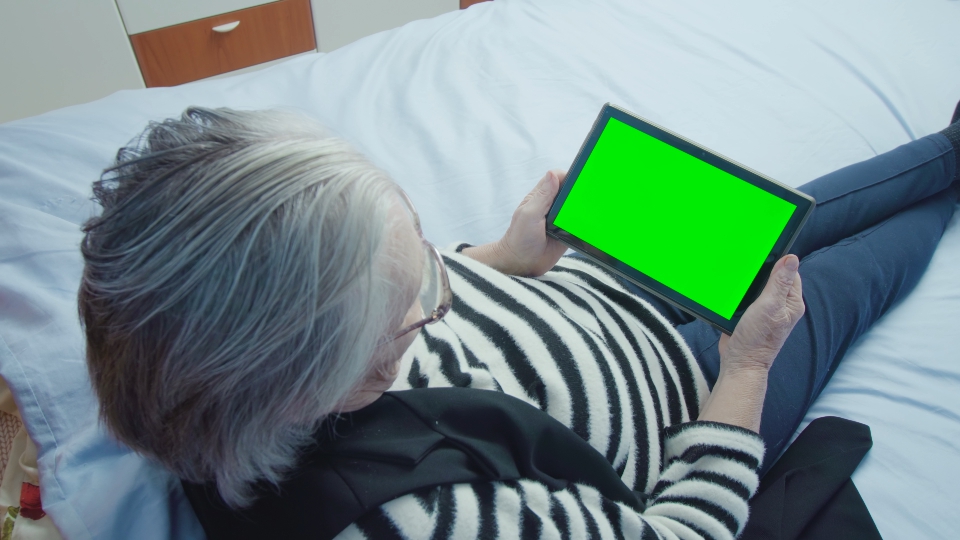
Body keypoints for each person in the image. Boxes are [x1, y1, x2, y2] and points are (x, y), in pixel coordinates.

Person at [78, 105, 959, 540]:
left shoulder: (171, 335)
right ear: (317, 381)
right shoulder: (429, 521)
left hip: (602, 301)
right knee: (860, 269)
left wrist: (500, 257)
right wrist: (748, 371)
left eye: (422, 250)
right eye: (408, 309)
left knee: (796, 212)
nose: (441, 295)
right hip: (697, 388)